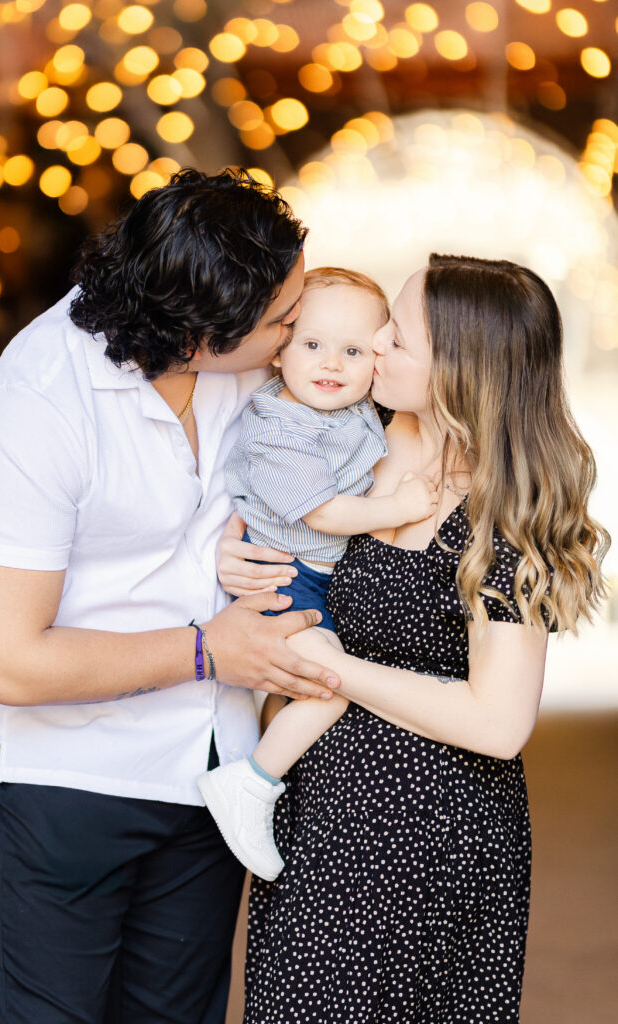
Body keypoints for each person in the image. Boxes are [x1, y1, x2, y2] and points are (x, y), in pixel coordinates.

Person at [0, 168, 346, 1024]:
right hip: (65, 780)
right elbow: (8, 660)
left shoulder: (253, 363)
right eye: (282, 322)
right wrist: (208, 647)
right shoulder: (36, 402)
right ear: (201, 334)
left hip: (212, 766)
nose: (295, 334)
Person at [219, 254, 609, 1022]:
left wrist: (335, 671)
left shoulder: (504, 511)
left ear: (458, 368)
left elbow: (497, 725)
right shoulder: (343, 436)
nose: (377, 338)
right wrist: (236, 559)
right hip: (319, 817)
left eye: (398, 334)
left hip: (436, 836)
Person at [198, 267, 438, 881]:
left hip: (315, 575)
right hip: (285, 576)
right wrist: (397, 510)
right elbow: (322, 511)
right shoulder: (279, 427)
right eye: (312, 344)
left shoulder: (361, 406)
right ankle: (250, 783)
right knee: (325, 681)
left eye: (353, 350)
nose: (332, 364)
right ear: (281, 351)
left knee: (313, 682)